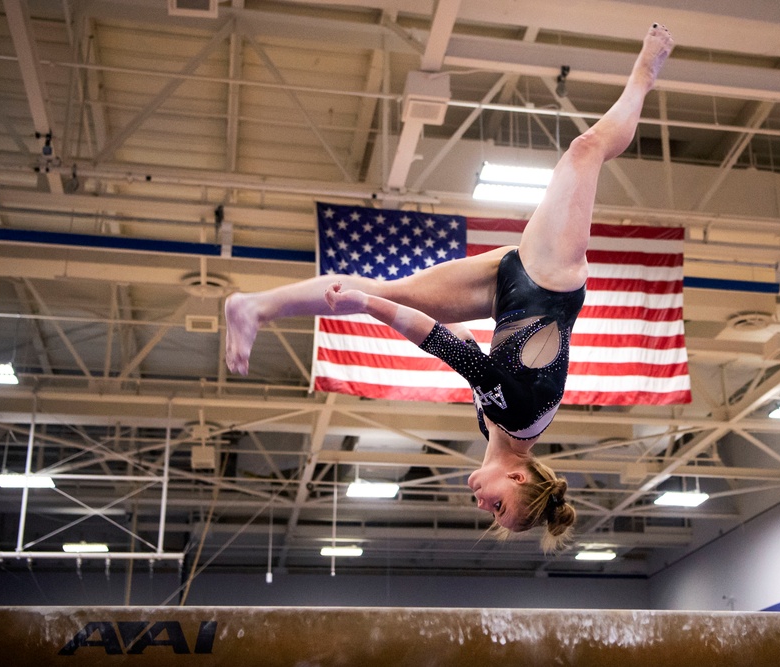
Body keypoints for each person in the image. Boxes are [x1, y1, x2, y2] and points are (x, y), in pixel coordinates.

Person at [225, 23, 675, 550]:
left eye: (489, 515)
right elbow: (446, 346)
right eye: (499, 507)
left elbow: (461, 342)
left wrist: (383, 300)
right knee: (585, 149)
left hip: (506, 291)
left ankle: (256, 307)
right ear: (519, 479)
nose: (482, 505)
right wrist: (369, 306)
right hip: (548, 276)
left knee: (393, 290)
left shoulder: (497, 430)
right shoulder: (517, 416)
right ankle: (644, 75)